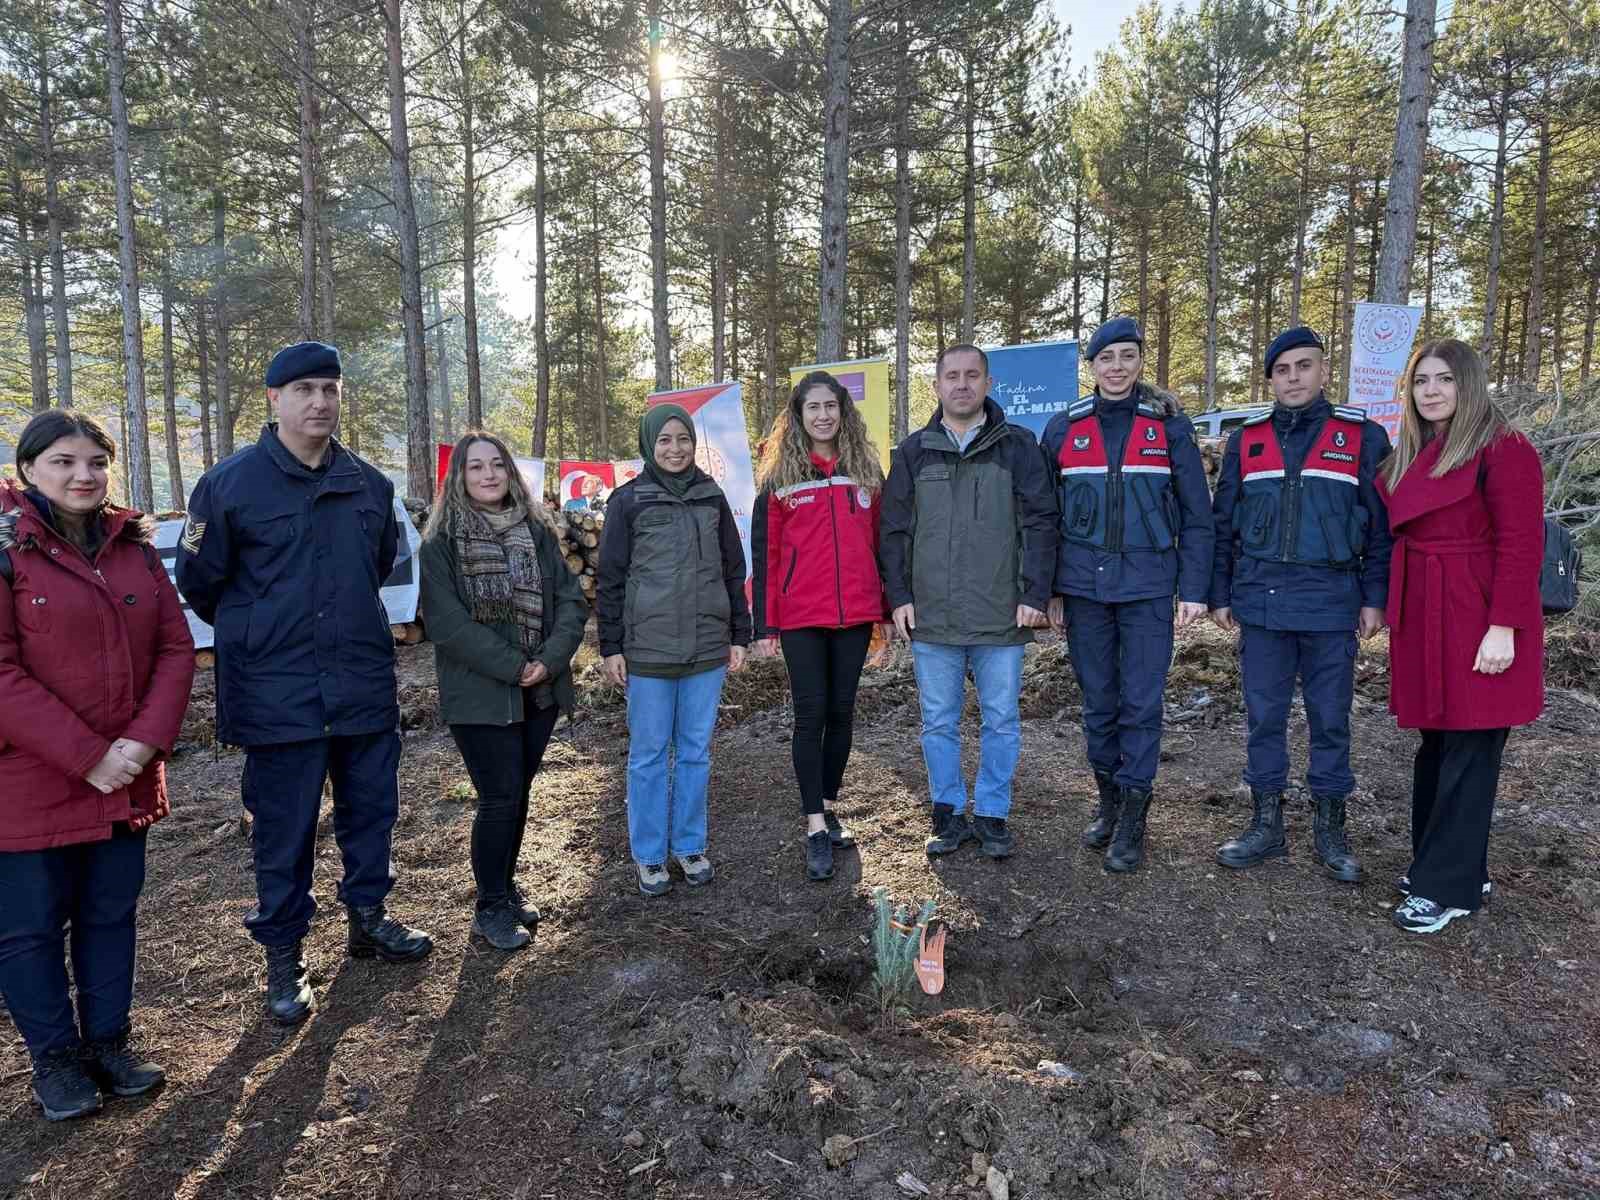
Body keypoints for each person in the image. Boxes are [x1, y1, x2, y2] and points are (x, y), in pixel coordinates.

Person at [176, 341, 432, 1028]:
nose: (319, 401)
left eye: (329, 388)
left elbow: (375, 567)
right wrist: (262, 632)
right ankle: (285, 956)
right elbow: (201, 583)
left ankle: (369, 918)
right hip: (275, 693)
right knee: (284, 831)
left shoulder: (369, 486)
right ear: (274, 399)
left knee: (371, 812)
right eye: (303, 390)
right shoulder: (229, 486)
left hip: (359, 685)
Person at [0, 411, 195, 1121]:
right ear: (28, 470)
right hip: (29, 780)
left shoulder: (131, 546)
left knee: (110, 915)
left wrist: (140, 746)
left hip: (126, 772)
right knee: (28, 928)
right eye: (62, 461)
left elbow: (176, 649)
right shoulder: (5, 546)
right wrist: (88, 757)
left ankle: (110, 1044)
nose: (83, 475)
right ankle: (55, 1062)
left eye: (95, 461)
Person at [1208, 326, 1393, 882]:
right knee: (1264, 718)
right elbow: (1223, 527)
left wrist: (1374, 598)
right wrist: (1219, 593)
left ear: (1322, 371)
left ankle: (1330, 830)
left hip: (1333, 603)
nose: (1294, 378)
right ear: (1271, 377)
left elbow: (1382, 529)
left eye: (1304, 366)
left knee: (1330, 720)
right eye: (1283, 369)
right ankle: (1266, 826)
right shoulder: (1247, 439)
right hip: (1261, 605)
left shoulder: (1363, 437)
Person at [1379, 339, 1544, 934]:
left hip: (1479, 615)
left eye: (1444, 379)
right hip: (1426, 610)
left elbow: (1522, 546)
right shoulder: (1420, 450)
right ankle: (1443, 865)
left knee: (1472, 749)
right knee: (1438, 744)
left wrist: (1504, 628)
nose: (1430, 391)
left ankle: (1446, 887)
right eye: (1420, 380)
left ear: (1468, 384)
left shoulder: (1504, 448)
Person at [1039, 318, 1213, 873]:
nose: (1117, 366)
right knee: (1099, 702)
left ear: (1141, 361)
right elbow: (1043, 518)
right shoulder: (1064, 429)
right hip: (1084, 588)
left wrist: (1195, 586)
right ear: (1092, 365)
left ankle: (1136, 814)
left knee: (1140, 702)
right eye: (1106, 357)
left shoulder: (1168, 427)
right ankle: (1109, 802)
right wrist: (1049, 589)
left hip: (1148, 587)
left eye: (1127, 356)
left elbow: (1197, 515)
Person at [880, 344, 1058, 860]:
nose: (962, 384)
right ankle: (948, 812)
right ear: (936, 386)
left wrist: (1034, 593)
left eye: (972, 375)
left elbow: (1041, 523)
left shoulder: (1019, 447)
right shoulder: (913, 453)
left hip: (1002, 613)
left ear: (988, 383)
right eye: (952, 376)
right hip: (932, 615)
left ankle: (993, 813)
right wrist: (899, 597)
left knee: (1000, 718)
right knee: (939, 720)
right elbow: (894, 533)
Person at [420, 432, 588, 950]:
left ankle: (505, 886)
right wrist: (516, 666)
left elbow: (570, 601)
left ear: (510, 472)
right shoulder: (440, 544)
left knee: (518, 795)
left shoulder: (534, 531)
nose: (488, 475)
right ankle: (489, 906)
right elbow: (447, 625)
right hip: (482, 694)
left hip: (540, 690)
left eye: (497, 465)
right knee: (498, 797)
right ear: (460, 478)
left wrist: (549, 661)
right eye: (476, 467)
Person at [596, 405, 751, 896]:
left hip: (707, 648)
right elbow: (611, 579)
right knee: (647, 755)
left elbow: (733, 569)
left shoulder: (711, 496)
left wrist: (738, 635)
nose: (675, 448)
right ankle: (648, 854)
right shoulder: (628, 501)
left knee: (694, 753)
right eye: (664, 440)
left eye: (683, 438)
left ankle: (689, 845)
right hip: (648, 651)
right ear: (648, 444)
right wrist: (611, 646)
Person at [751, 370, 887, 882]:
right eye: (813, 408)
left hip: (855, 612)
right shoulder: (781, 478)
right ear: (799, 415)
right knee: (811, 715)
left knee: (842, 711)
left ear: (843, 412)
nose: (824, 415)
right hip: (801, 615)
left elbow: (881, 544)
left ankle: (829, 806)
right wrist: (765, 623)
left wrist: (885, 608)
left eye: (831, 406)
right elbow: (764, 554)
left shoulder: (865, 470)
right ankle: (812, 825)